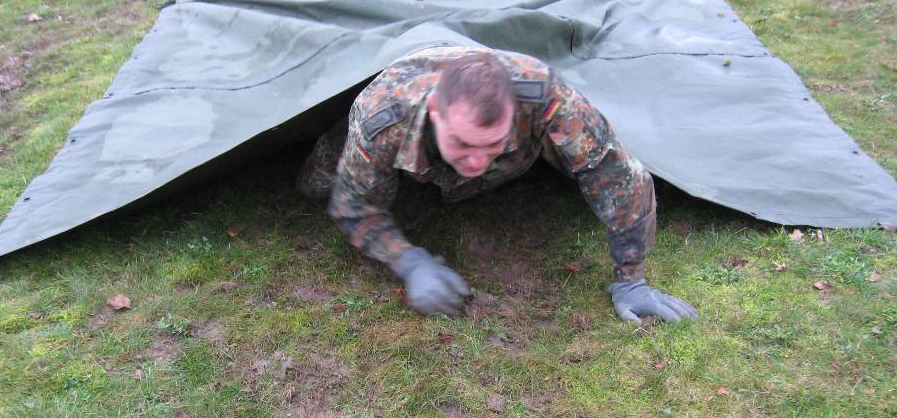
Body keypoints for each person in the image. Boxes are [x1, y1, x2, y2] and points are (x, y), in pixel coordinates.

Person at [296, 44, 697, 323]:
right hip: (394, 116)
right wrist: (408, 261)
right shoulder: (382, 115)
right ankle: (344, 143)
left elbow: (620, 176)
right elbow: (355, 207)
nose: (476, 162)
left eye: (492, 145)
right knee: (314, 185)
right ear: (436, 112)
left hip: (514, 129)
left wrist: (631, 279)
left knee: (581, 153)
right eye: (463, 143)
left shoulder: (546, 95)